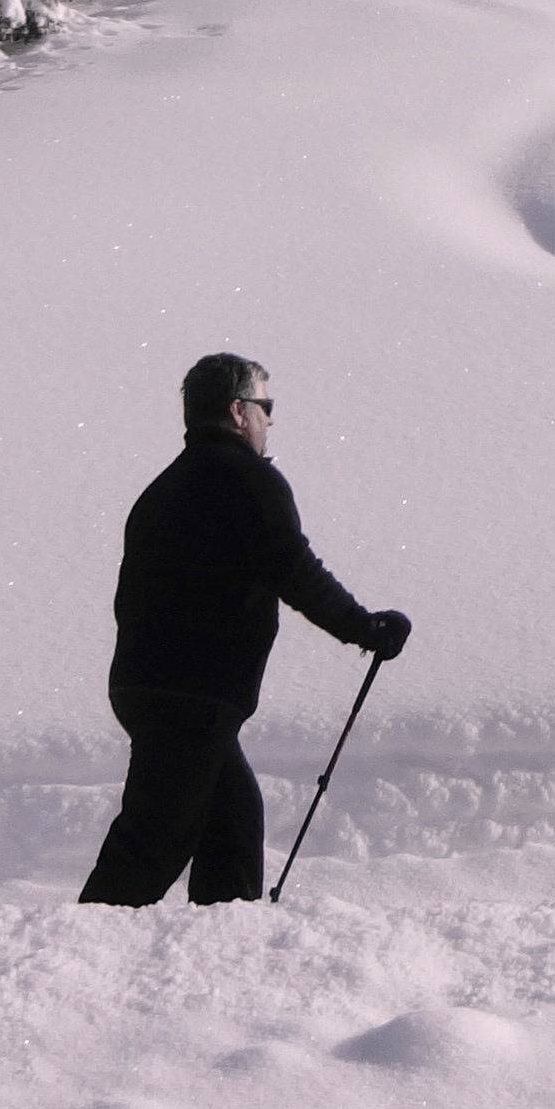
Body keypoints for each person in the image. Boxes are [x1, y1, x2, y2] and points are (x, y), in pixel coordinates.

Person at [79, 352, 412, 906]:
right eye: (265, 407)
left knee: (231, 823)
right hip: (194, 695)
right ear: (238, 411)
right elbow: (294, 570)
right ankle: (68, 956)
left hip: (151, 688)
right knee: (153, 839)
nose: (269, 420)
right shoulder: (249, 481)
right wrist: (365, 628)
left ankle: (224, 943)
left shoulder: (162, 491)